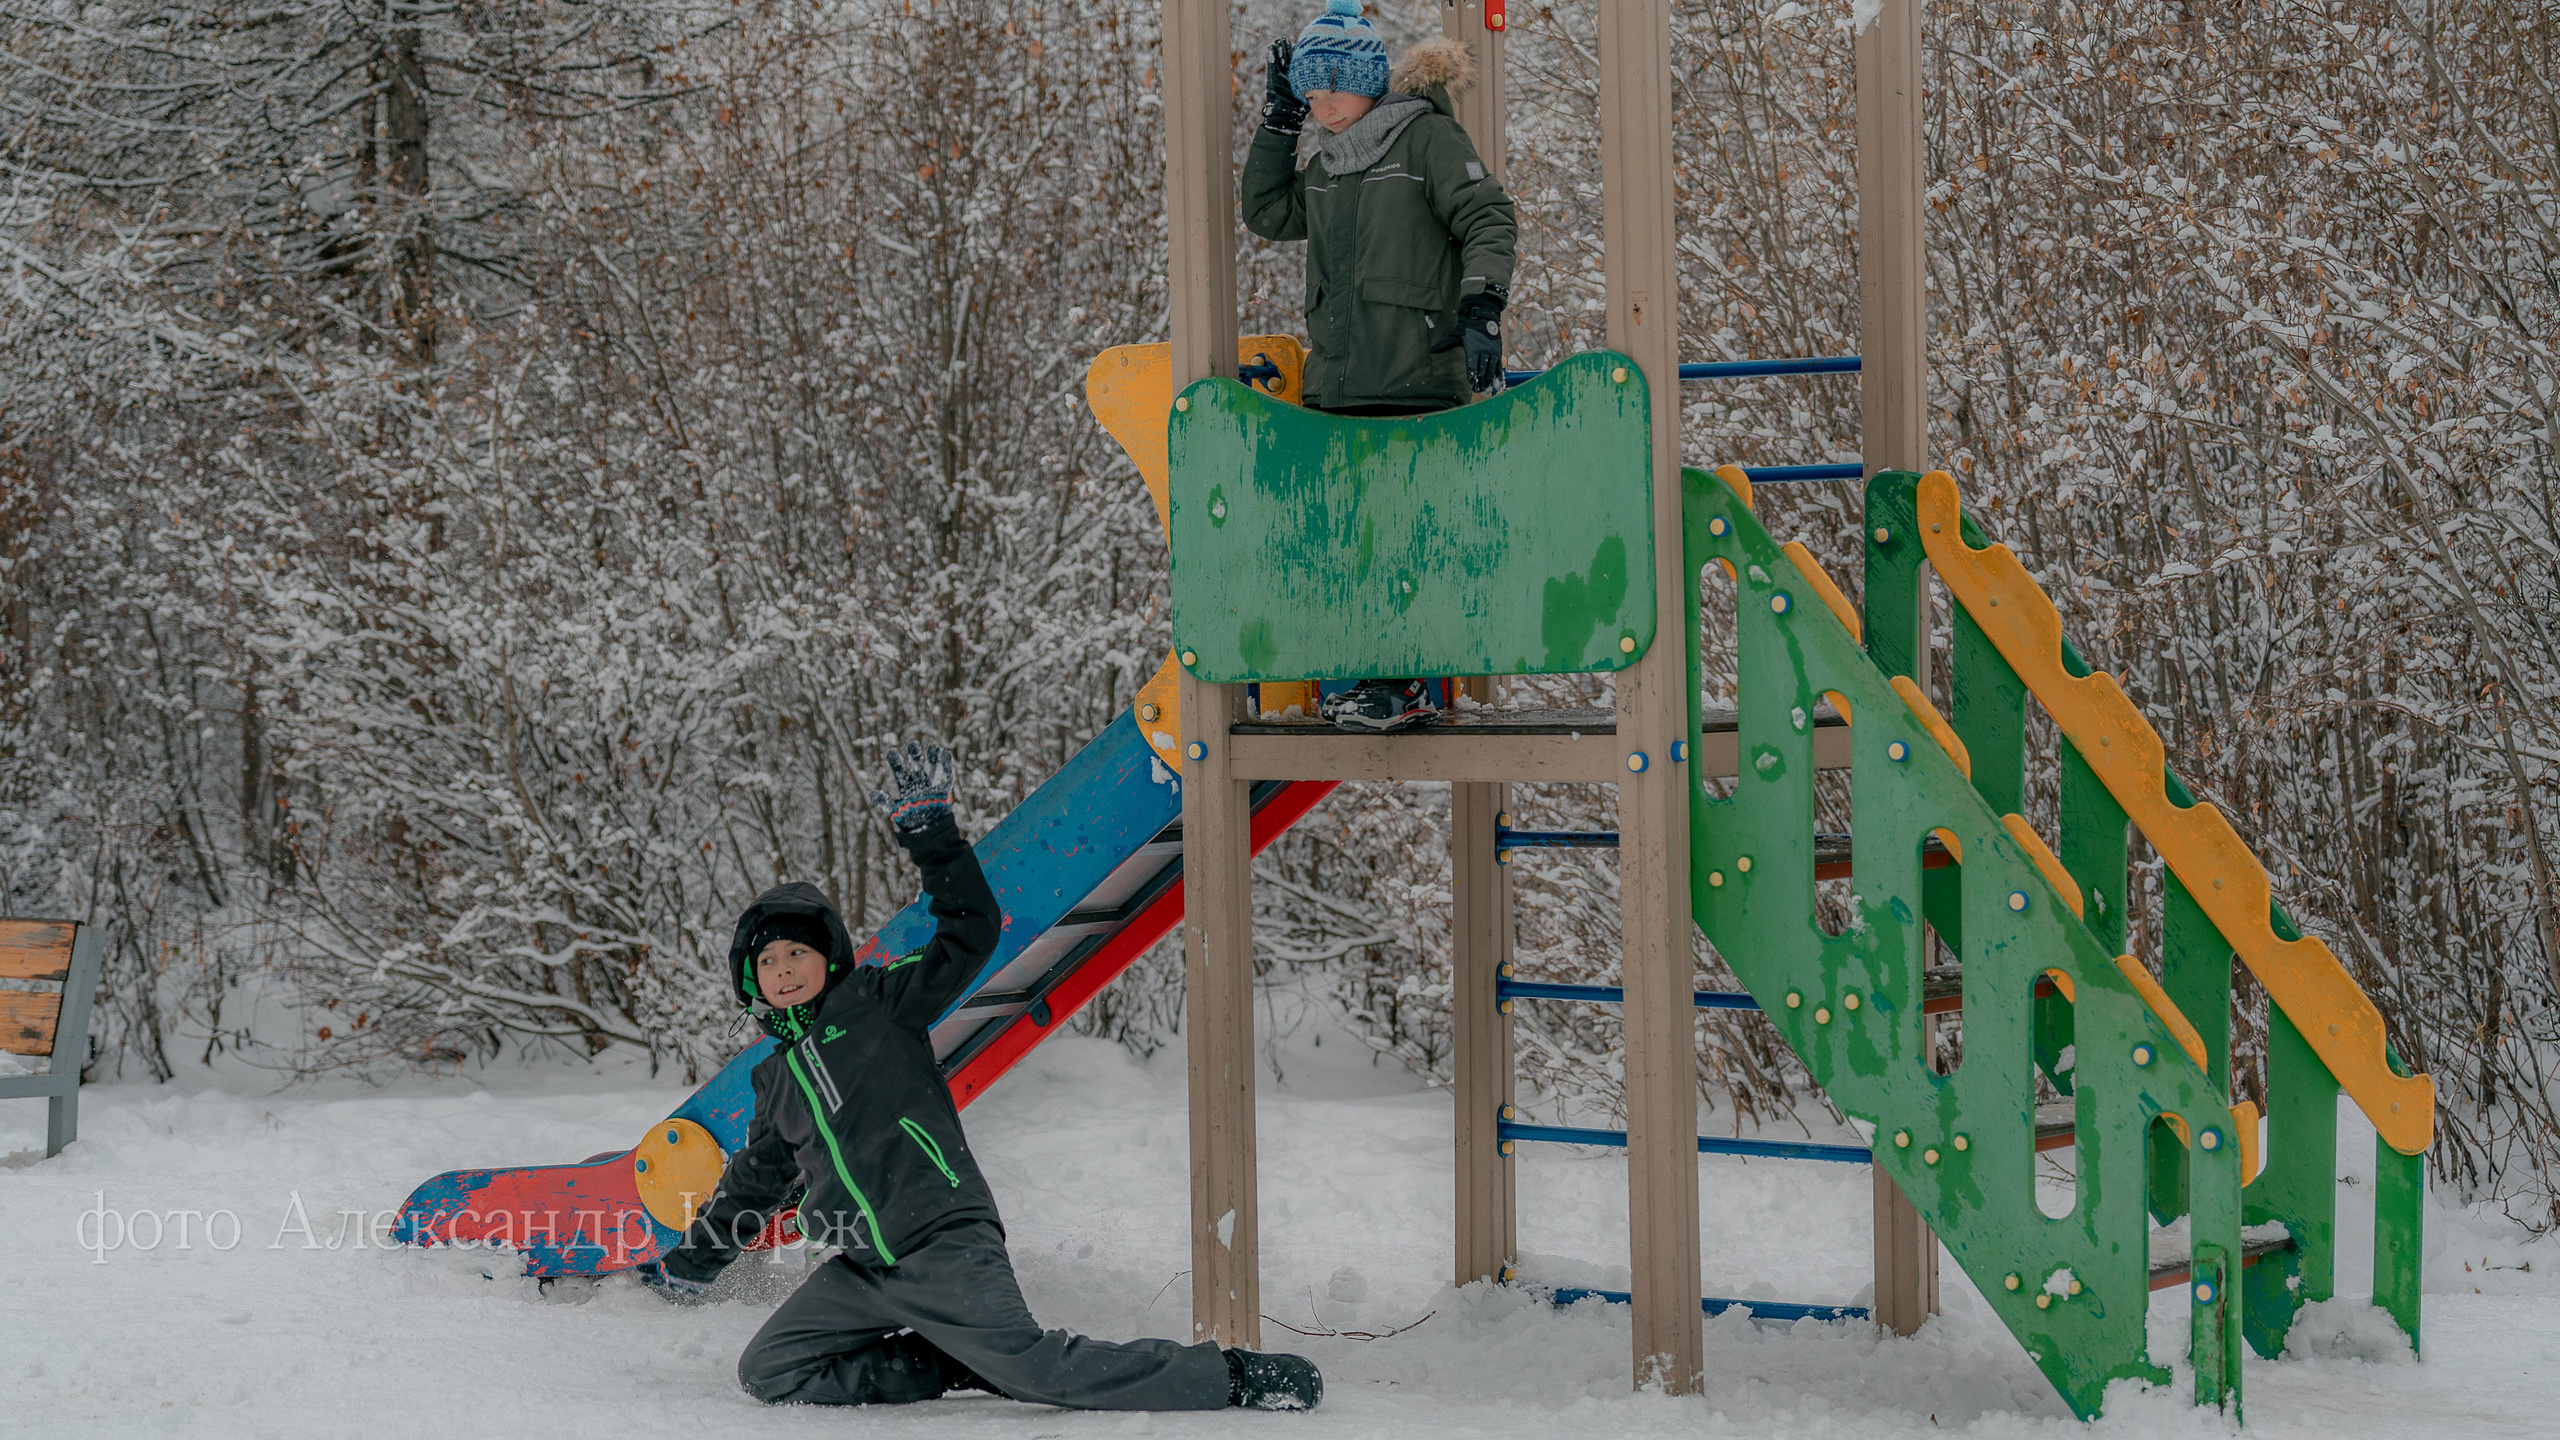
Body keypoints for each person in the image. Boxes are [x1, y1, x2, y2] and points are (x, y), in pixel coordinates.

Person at [637, 739, 1322, 1412]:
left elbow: (971, 931)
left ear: (829, 959)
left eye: (798, 951)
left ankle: (1227, 1377)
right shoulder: (774, 1083)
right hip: (863, 1268)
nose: (783, 968)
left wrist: (932, 836)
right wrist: (686, 1268)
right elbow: (751, 1185)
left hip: (944, 1244)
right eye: (768, 962)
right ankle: (953, 1360)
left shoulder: (879, 1005)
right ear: (752, 982)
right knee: (769, 1370)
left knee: (1040, 1372)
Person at [1244, 3, 1518, 733]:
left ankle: (1403, 683)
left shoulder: (1425, 138)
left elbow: (1487, 215)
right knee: (1351, 542)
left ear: (1371, 80)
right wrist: (1276, 125)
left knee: (1404, 537)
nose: (1323, 102)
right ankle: (1365, 681)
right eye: (1310, 88)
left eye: (1335, 84)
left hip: (1416, 376)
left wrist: (1481, 306)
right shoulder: (1330, 162)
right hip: (1341, 383)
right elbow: (1267, 211)